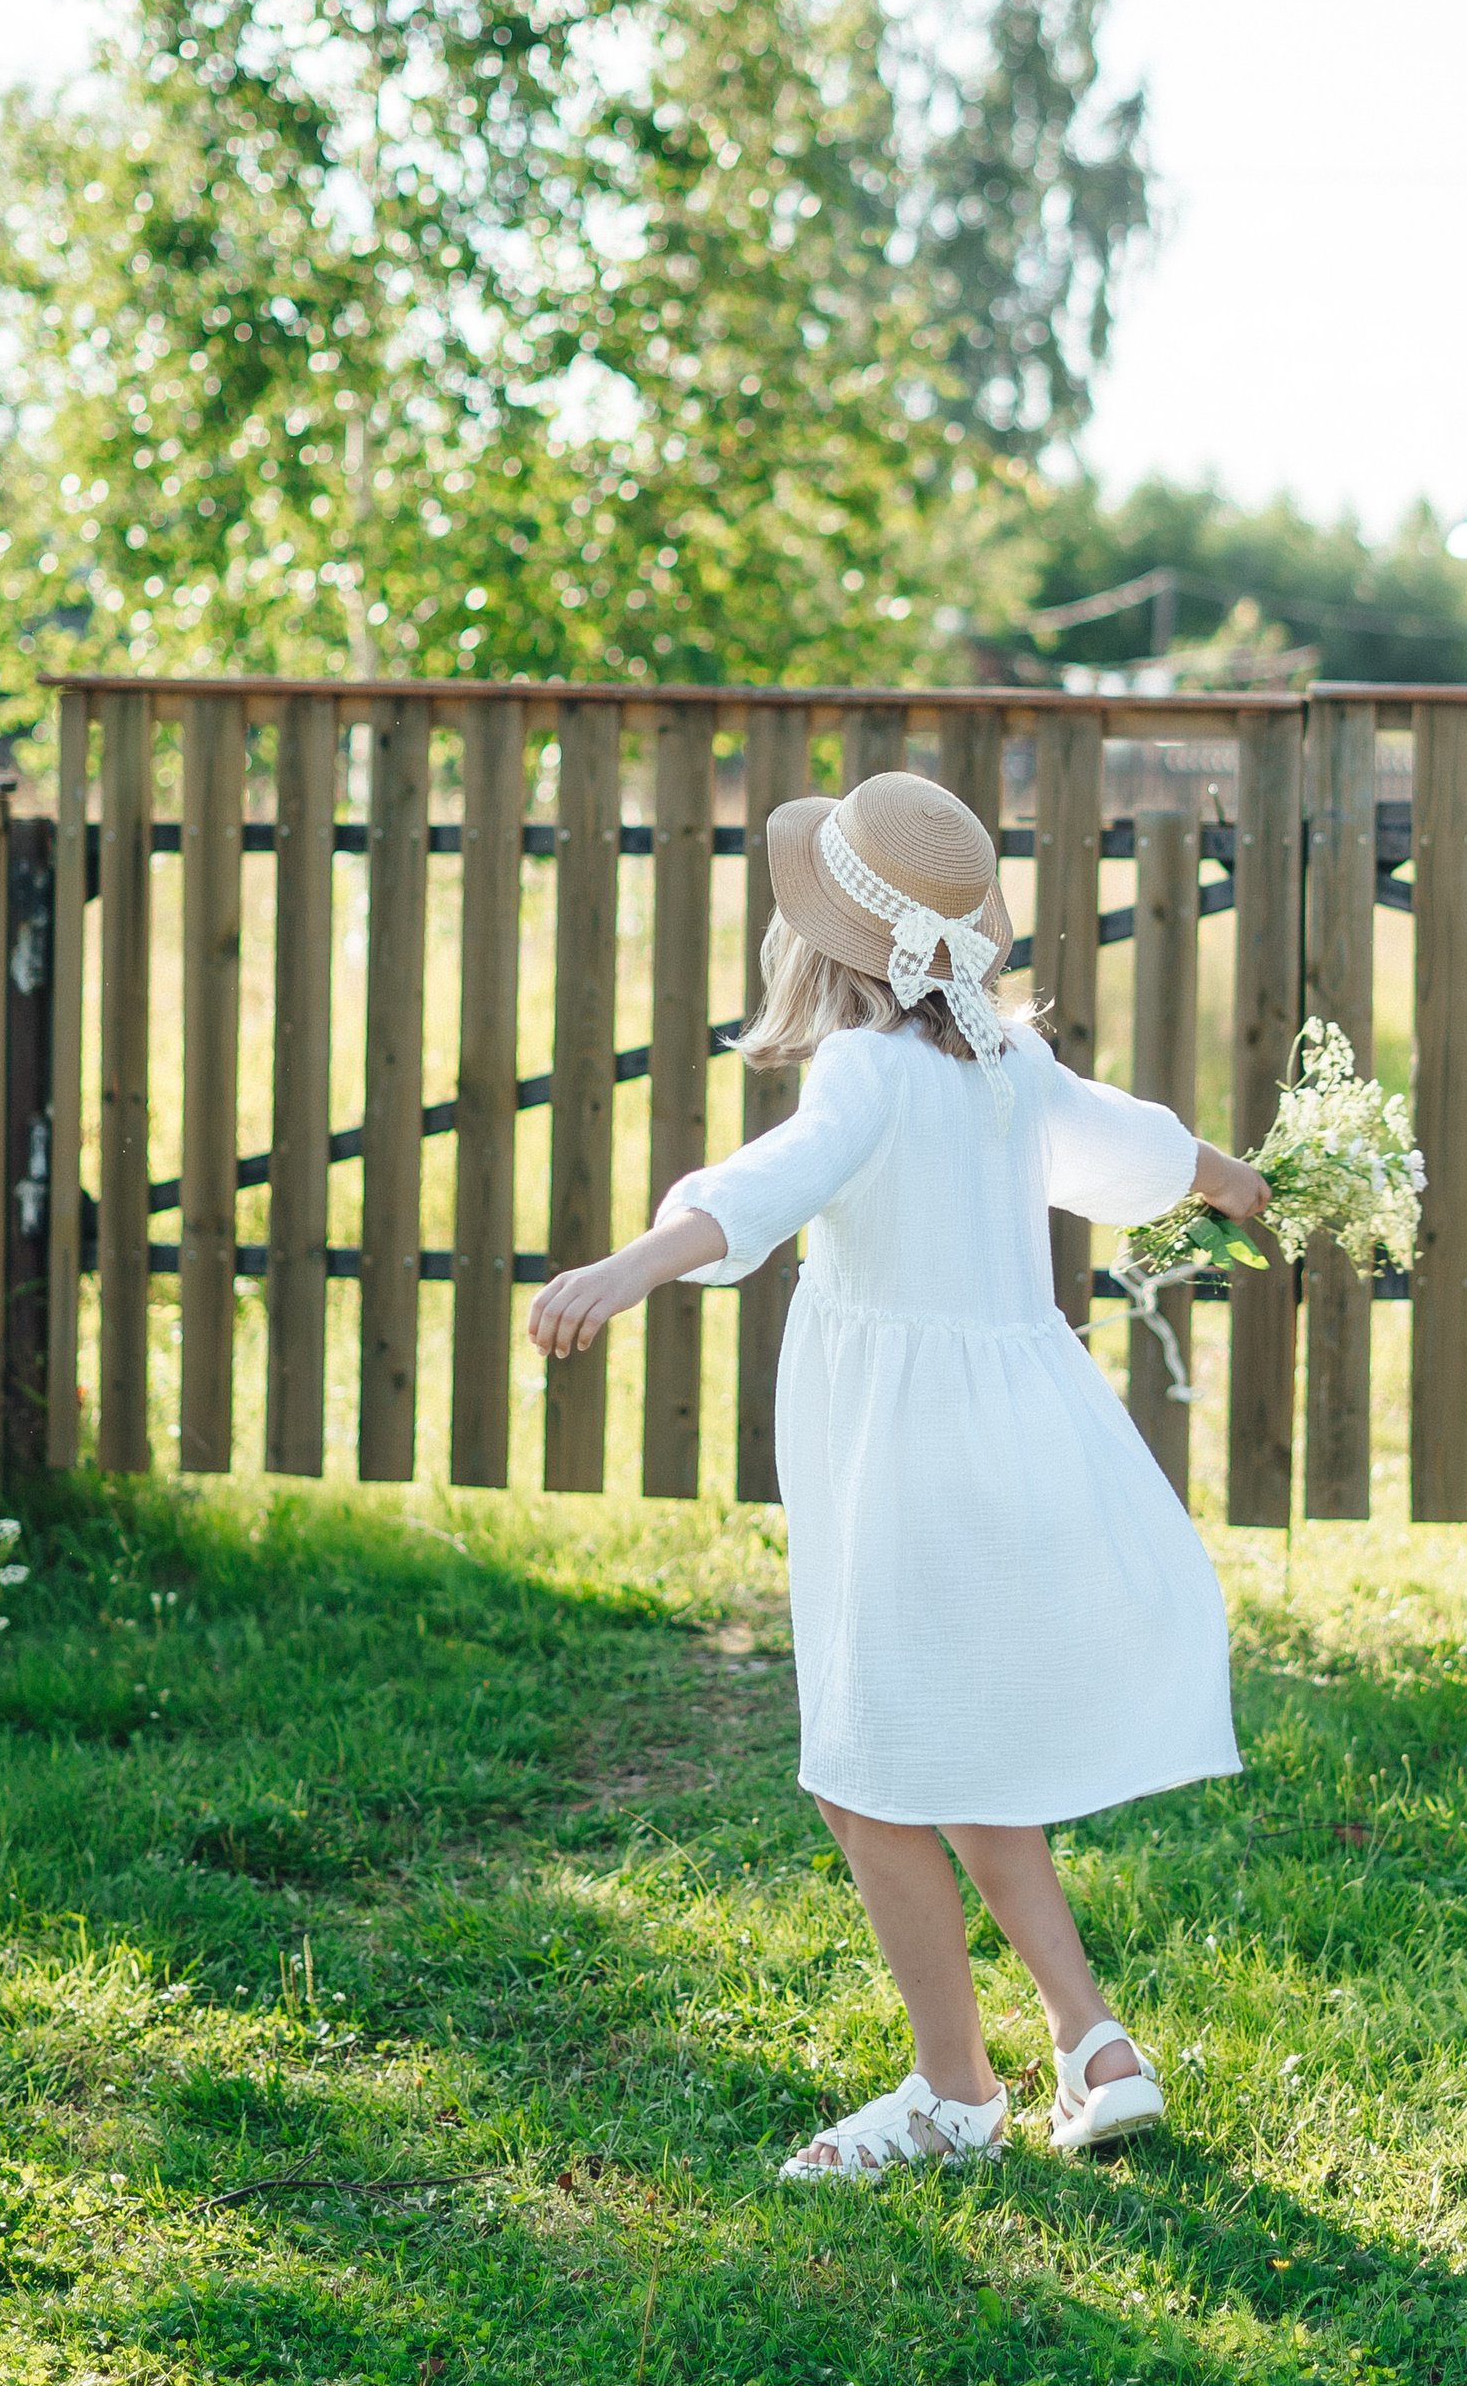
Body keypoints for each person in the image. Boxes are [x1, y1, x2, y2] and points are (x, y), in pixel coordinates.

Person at [526, 768, 1266, 2182]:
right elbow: (1124, 1139)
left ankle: (952, 2093)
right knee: (961, 1738)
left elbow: (768, 1181)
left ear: (822, 940)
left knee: (868, 1776)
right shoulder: (1001, 1059)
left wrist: (624, 1269)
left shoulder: (862, 1073)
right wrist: (1228, 1175)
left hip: (908, 1466)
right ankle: (1094, 2042)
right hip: (1022, 1430)